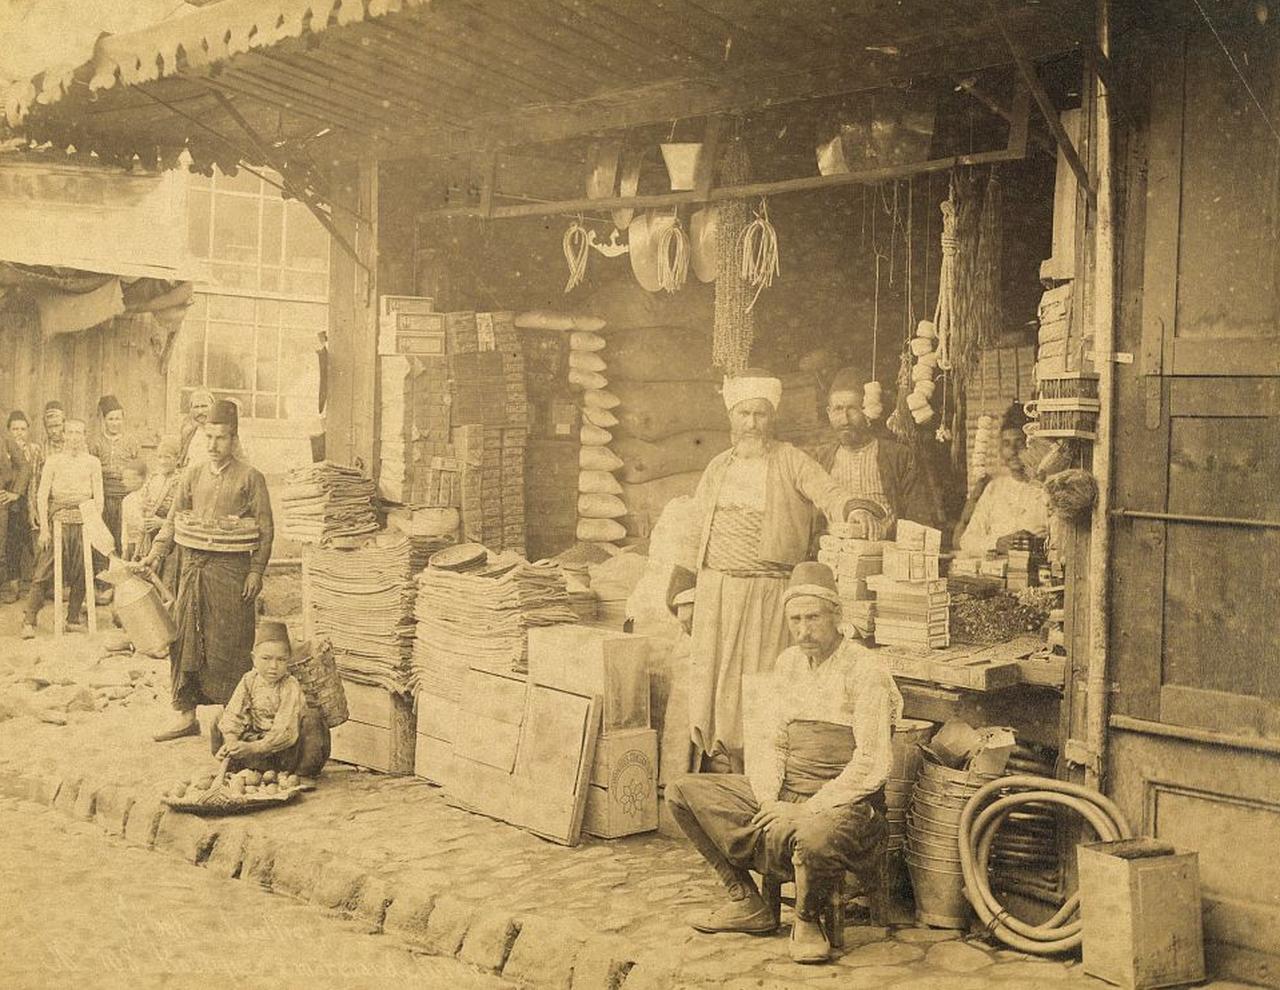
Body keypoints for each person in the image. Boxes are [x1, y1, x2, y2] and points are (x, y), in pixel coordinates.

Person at [665, 562, 901, 964]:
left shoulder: (866, 668)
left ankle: (807, 919)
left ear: (837, 616)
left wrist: (805, 808)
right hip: (790, 789)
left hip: (847, 802)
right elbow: (771, 742)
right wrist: (770, 801)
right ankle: (746, 901)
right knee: (683, 792)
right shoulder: (788, 663)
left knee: (813, 834)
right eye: (795, 620)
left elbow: (872, 761)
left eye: (813, 618)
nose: (804, 630)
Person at [666, 369, 876, 774]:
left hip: (767, 594)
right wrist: (686, 593)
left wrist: (853, 507)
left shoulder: (791, 461)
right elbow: (693, 532)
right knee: (718, 684)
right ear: (732, 418)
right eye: (744, 414)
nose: (752, 424)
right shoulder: (717, 468)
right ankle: (721, 768)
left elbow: (828, 491)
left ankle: (759, 771)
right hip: (716, 592)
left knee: (762, 685)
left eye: (760, 414)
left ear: (771, 418)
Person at [142, 399, 274, 743]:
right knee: (183, 640)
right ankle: (186, 716)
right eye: (209, 437)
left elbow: (265, 528)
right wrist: (156, 553)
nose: (214, 445)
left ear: (234, 439)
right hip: (193, 570)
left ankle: (233, 719)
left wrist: (256, 571)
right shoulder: (193, 473)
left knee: (229, 644)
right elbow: (173, 519)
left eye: (222, 438)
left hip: (232, 575)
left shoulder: (251, 478)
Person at [809, 367, 942, 539]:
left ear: (868, 410)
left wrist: (886, 533)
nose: (845, 419)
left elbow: (918, 518)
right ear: (828, 413)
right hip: (834, 554)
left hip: (886, 553)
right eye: (838, 409)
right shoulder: (821, 459)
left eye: (853, 409)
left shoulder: (898, 456)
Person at [212, 621, 331, 779]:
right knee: (219, 719)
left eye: (281, 660)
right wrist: (231, 743)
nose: (273, 666)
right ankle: (236, 765)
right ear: (254, 658)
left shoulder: (290, 685)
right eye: (266, 658)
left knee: (312, 718)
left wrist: (254, 748)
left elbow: (285, 730)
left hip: (285, 750)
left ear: (288, 660)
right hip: (256, 745)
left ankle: (302, 775)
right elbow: (234, 714)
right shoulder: (249, 680)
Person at [21, 419, 104, 638]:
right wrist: (45, 530)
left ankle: (73, 618)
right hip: (58, 515)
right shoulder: (54, 461)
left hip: (84, 515)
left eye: (79, 433)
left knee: (84, 569)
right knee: (44, 569)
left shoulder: (93, 462)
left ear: (85, 435)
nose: (75, 437)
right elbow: (41, 495)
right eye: (71, 433)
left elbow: (99, 498)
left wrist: (94, 525)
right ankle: (29, 620)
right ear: (64, 435)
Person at [955, 402, 1050, 557]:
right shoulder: (994, 488)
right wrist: (997, 543)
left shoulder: (1046, 489)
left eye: (1019, 442)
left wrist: (1034, 543)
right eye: (1006, 444)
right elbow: (967, 541)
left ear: (1032, 445)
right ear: (1000, 449)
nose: (1013, 450)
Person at [88, 394, 141, 556]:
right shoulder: (95, 442)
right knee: (103, 536)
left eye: (118, 419)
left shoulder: (131, 441)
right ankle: (103, 574)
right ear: (104, 420)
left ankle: (122, 574)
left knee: (123, 536)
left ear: (123, 420)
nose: (115, 423)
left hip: (125, 495)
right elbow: (91, 470)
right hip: (102, 495)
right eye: (111, 419)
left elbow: (138, 469)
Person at [135, 436, 181, 586]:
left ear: (177, 458)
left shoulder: (180, 481)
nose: (162, 461)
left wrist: (160, 523)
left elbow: (182, 514)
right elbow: (142, 502)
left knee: (165, 579)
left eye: (167, 457)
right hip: (149, 535)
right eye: (159, 457)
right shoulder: (153, 478)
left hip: (170, 540)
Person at [2, 411, 37, 602]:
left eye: (23, 429)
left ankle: (39, 586)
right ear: (8, 430)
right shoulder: (5, 448)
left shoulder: (35, 450)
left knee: (35, 545)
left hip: (32, 502)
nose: (19, 433)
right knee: (12, 545)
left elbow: (35, 474)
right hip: (11, 505)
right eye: (15, 429)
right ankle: (14, 586)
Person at [119, 459, 148, 561]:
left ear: (143, 479)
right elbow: (125, 525)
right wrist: (125, 548)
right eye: (125, 479)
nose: (126, 482)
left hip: (145, 544)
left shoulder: (147, 497)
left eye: (131, 479)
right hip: (131, 544)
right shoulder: (127, 500)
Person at [178, 389, 214, 470]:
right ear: (191, 410)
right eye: (196, 407)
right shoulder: (188, 433)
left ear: (213, 406)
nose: (200, 411)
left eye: (204, 406)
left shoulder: (222, 432)